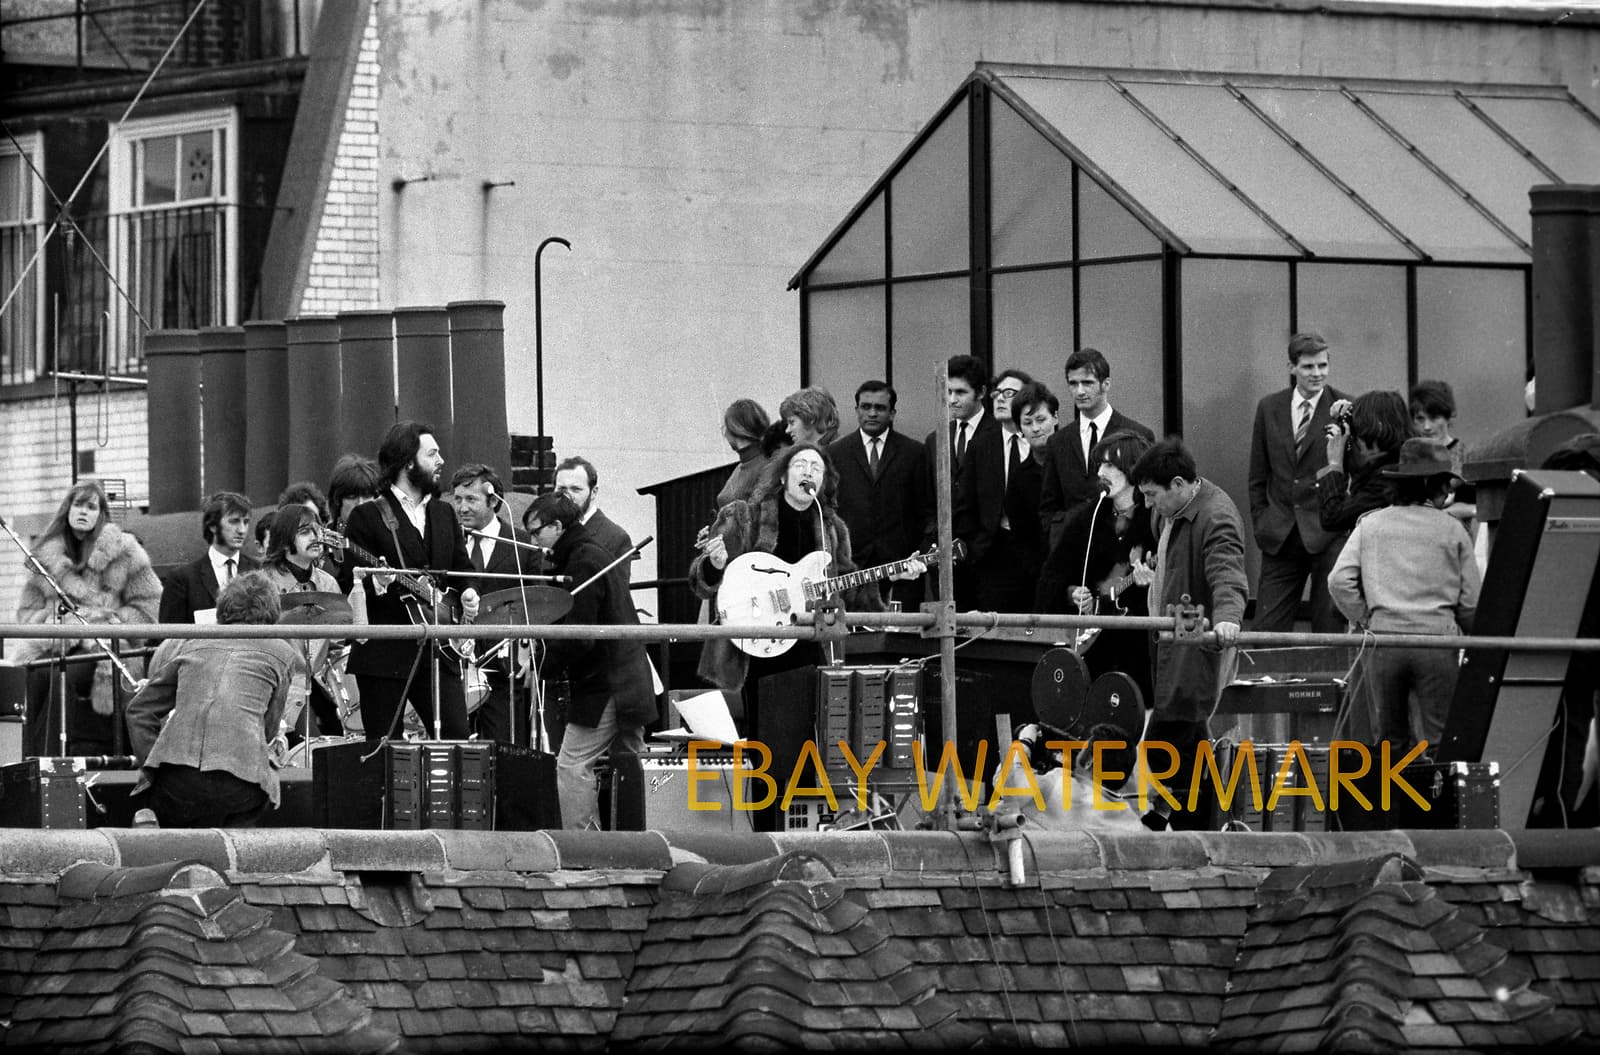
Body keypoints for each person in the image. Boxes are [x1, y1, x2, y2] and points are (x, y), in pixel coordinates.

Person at [689, 443, 917, 827]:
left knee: (811, 748)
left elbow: (848, 586)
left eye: (817, 468)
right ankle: (768, 832)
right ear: (782, 474)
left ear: (824, 482)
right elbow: (703, 580)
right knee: (768, 752)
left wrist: (891, 575)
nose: (809, 471)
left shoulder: (831, 529)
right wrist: (714, 564)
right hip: (758, 648)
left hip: (808, 649)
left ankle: (806, 832)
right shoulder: (745, 516)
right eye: (801, 464)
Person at [1328, 438, 1480, 752]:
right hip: (1437, 643)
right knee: (1440, 741)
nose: (1449, 492)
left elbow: (1339, 581)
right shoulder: (1453, 529)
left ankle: (1393, 786)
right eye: (1444, 484)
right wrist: (1474, 639)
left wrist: (1365, 617)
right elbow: (1470, 603)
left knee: (1389, 742)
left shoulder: (1370, 524)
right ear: (1431, 485)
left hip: (1383, 643)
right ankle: (1436, 786)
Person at [1130, 439, 1248, 831]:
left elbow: (1227, 573)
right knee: (1185, 740)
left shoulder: (1216, 516)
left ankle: (1182, 825)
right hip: (1172, 644)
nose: (1147, 503)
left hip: (1194, 650)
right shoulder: (1172, 510)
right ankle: (1179, 821)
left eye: (1152, 495)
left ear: (1178, 484)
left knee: (1169, 739)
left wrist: (1228, 618)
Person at [125, 572, 299, 828]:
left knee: (170, 804)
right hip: (242, 784)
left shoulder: (192, 642)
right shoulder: (283, 652)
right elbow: (269, 730)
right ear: (273, 612)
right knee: (260, 784)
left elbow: (138, 711)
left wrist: (151, 765)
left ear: (223, 607)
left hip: (176, 781)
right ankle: (233, 846)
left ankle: (153, 821)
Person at [342, 420, 481, 742]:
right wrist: (379, 583)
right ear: (408, 462)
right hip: (385, 655)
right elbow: (350, 581)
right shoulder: (367, 516)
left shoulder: (444, 513)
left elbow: (463, 567)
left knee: (457, 739)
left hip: (438, 651)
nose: (441, 461)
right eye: (432, 454)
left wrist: (470, 592)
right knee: (385, 749)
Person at [527, 493, 656, 830]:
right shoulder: (588, 554)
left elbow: (580, 635)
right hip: (626, 678)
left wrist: (541, 665)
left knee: (572, 765)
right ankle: (635, 842)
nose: (533, 541)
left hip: (607, 684)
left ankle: (582, 845)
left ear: (557, 526)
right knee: (632, 763)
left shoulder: (583, 561)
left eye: (536, 532)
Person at [14, 481, 162, 758]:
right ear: (67, 510)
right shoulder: (47, 557)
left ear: (101, 514)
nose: (83, 512)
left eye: (91, 507)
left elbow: (149, 607)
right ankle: (27, 762)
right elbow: (27, 613)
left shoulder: (125, 550)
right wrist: (56, 621)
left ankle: (52, 762)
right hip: (57, 642)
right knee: (31, 674)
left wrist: (108, 620)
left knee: (59, 676)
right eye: (78, 504)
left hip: (108, 648)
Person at [1037, 431, 1158, 709]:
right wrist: (1071, 593)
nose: (1101, 472)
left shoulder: (1155, 518)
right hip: (1093, 645)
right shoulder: (1088, 518)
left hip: (1139, 647)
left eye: (1111, 465)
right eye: (1100, 464)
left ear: (1133, 468)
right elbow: (1052, 575)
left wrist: (1152, 583)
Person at [1248, 332, 1350, 634]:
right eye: (1308, 366)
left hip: (1327, 533)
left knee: (1328, 631)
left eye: (1322, 365)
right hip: (1280, 534)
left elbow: (1354, 469)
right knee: (1266, 631)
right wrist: (1262, 521)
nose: (1316, 373)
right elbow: (1257, 475)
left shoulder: (1345, 407)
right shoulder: (1269, 407)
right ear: (1292, 367)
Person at [1037, 348, 1155, 555]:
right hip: (1073, 552)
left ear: (1106, 384)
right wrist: (1060, 539)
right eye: (1073, 383)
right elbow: (1048, 505)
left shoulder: (1137, 434)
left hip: (1122, 549)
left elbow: (1148, 496)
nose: (1080, 391)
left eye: (1088, 383)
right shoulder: (1058, 441)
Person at [451, 463, 537, 746]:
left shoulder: (522, 544)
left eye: (471, 499)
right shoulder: (447, 542)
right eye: (458, 499)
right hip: (455, 664)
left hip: (504, 668)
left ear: (494, 501)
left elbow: (538, 602)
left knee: (504, 747)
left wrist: (529, 650)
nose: (462, 507)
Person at [827, 380, 931, 608]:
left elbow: (926, 511)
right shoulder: (835, 453)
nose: (872, 413)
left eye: (880, 408)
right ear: (856, 410)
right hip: (851, 569)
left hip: (902, 569)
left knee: (900, 630)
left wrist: (919, 555)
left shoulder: (914, 453)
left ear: (892, 413)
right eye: (866, 407)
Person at [954, 368, 1043, 611]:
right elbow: (966, 503)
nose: (1000, 399)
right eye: (997, 393)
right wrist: (974, 548)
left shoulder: (1042, 441)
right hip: (992, 552)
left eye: (1009, 393)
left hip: (1037, 551)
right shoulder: (981, 444)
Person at [260, 504, 345, 738]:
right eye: (305, 531)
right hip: (282, 685)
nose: (316, 537)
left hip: (323, 685)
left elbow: (337, 646)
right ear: (284, 539)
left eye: (317, 530)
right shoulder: (263, 584)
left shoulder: (328, 583)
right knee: (312, 746)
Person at [923, 355, 998, 609]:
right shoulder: (935, 439)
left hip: (988, 561)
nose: (952, 399)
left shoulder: (999, 434)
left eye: (961, 392)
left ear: (981, 393)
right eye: (948, 392)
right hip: (944, 559)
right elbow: (928, 499)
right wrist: (933, 543)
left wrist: (976, 549)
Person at [1314, 390, 1409, 538]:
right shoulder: (1405, 459)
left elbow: (1332, 517)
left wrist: (1334, 464)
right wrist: (1350, 415)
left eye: (1359, 432)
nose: (1356, 439)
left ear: (1378, 429)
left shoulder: (1390, 477)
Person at [158, 491, 258, 625]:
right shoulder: (182, 579)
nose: (242, 530)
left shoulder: (259, 571)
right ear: (213, 526)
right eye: (234, 521)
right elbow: (168, 633)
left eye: (246, 522)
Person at [1410, 379, 1477, 527]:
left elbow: (1476, 506)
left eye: (1434, 418)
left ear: (1448, 417)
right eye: (1420, 418)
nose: (1427, 427)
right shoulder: (1409, 456)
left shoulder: (1466, 456)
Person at [325, 453, 383, 593]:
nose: (360, 503)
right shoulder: (325, 540)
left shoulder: (385, 537)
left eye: (367, 496)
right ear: (338, 500)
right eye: (352, 496)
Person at [716, 398, 774, 509]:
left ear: (736, 429)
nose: (725, 434)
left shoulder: (765, 465)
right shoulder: (742, 465)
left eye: (726, 427)